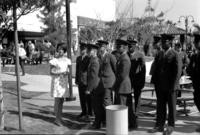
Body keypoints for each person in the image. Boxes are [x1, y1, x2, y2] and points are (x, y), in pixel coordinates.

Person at [149, 35, 182, 135]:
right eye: (162, 42)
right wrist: (154, 83)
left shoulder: (175, 54)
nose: (163, 44)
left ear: (170, 43)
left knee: (171, 107)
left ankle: (170, 126)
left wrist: (173, 86)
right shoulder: (160, 54)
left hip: (171, 87)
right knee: (160, 106)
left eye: (165, 42)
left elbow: (178, 72)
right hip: (160, 86)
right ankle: (159, 125)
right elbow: (156, 69)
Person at [114, 39, 137, 130]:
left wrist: (115, 85)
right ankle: (132, 124)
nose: (117, 48)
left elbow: (123, 75)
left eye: (119, 47)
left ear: (124, 48)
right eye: (117, 46)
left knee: (123, 107)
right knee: (127, 106)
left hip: (123, 86)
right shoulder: (122, 57)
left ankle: (128, 125)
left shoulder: (125, 59)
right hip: (122, 85)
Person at [49, 43, 71, 126]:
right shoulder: (54, 61)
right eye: (59, 49)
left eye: (62, 49)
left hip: (64, 83)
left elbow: (68, 70)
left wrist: (67, 72)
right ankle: (57, 119)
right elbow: (51, 72)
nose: (60, 50)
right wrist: (60, 73)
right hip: (57, 82)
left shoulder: (67, 60)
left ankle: (59, 117)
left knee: (62, 101)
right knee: (58, 101)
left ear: (64, 51)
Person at [96, 40, 117, 125]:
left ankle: (111, 121)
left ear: (105, 48)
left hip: (108, 82)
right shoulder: (99, 56)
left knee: (107, 102)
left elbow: (116, 69)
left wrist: (114, 82)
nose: (100, 49)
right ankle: (105, 120)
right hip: (101, 83)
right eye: (99, 47)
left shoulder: (110, 56)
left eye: (102, 47)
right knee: (104, 102)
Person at [127, 39, 146, 117]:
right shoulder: (126, 54)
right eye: (129, 46)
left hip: (137, 79)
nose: (130, 47)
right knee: (128, 95)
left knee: (137, 96)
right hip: (128, 79)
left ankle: (136, 112)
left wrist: (142, 81)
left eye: (131, 46)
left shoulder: (140, 55)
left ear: (135, 46)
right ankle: (129, 111)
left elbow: (143, 69)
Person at [85, 43, 101, 129]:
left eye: (89, 50)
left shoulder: (95, 61)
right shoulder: (92, 60)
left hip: (95, 87)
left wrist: (89, 89)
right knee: (95, 105)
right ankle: (96, 122)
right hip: (94, 86)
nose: (87, 51)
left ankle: (97, 123)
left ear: (94, 51)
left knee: (96, 106)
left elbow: (93, 77)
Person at [187, 31, 200, 132]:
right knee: (197, 101)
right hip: (197, 84)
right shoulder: (194, 56)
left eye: (197, 42)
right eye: (195, 42)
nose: (195, 44)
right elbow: (189, 69)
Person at [75, 42, 92, 119]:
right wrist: (76, 79)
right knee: (81, 98)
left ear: (86, 50)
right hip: (80, 81)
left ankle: (89, 113)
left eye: (83, 49)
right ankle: (83, 111)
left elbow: (88, 70)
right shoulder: (78, 58)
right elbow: (77, 69)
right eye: (81, 48)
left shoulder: (89, 58)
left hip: (86, 81)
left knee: (88, 98)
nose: (82, 50)